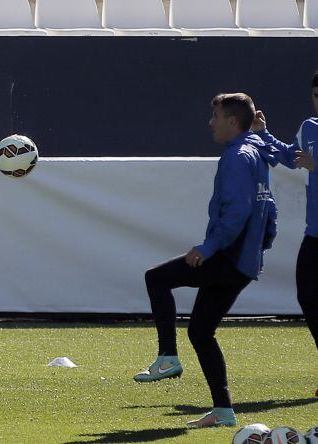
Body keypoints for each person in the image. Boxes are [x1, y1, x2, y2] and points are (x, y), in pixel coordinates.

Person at [133, 93, 278, 427]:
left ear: (232, 121)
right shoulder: (255, 152)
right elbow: (268, 207)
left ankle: (167, 357)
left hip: (227, 257)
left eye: (215, 116)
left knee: (155, 278)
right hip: (241, 262)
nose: (210, 123)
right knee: (200, 332)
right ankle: (224, 411)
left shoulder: (237, 156)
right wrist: (261, 249)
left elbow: (240, 211)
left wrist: (208, 248)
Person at [251, 73, 318, 398]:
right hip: (315, 233)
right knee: (307, 296)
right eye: (317, 95)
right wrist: (264, 135)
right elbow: (291, 158)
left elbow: (312, 164)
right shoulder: (310, 128)